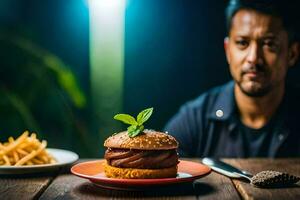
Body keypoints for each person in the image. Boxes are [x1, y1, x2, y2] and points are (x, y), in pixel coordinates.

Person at [164, 0, 300, 158]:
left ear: (292, 54)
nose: (253, 58)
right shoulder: (194, 121)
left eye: (269, 44)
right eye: (242, 43)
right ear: (228, 50)